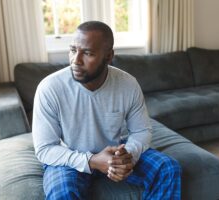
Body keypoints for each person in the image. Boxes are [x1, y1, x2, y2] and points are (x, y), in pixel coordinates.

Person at [32, 21, 181, 200]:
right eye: (73, 50)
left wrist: (128, 156)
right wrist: (92, 161)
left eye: (87, 53)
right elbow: (45, 149)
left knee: (168, 169)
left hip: (114, 154)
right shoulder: (50, 88)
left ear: (109, 56)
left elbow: (141, 131)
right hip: (69, 158)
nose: (76, 60)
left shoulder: (127, 84)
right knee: (62, 192)